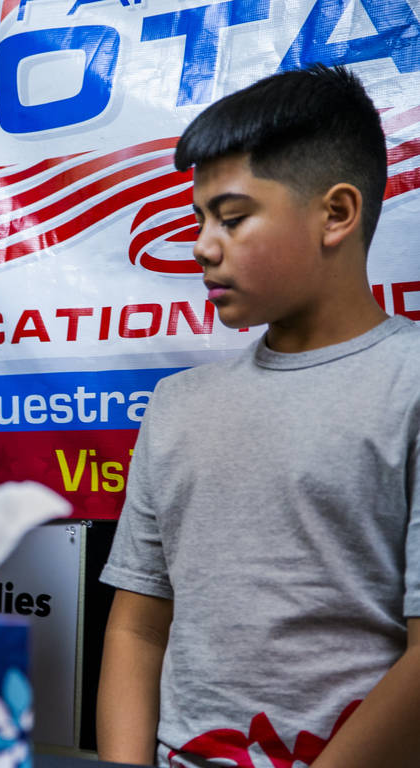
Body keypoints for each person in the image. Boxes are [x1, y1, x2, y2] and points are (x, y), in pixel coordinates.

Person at [96, 65, 420, 768]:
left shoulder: (410, 384)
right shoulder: (177, 407)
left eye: (234, 218)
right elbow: (138, 629)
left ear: (336, 213)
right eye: (200, 219)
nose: (203, 246)